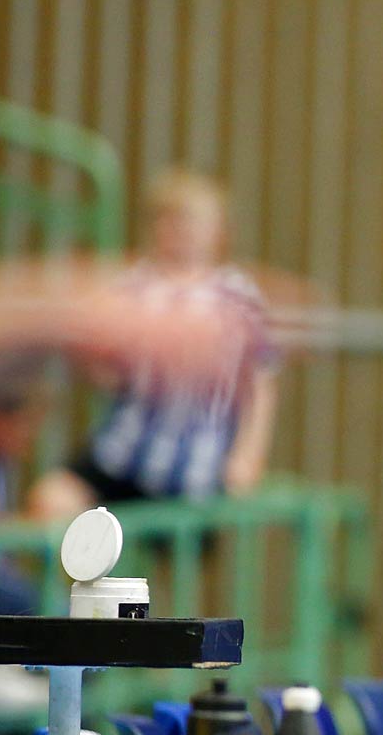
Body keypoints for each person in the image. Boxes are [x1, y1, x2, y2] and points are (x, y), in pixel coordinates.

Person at [24, 171, 279, 523]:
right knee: (53, 500)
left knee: (180, 552)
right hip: (124, 452)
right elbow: (101, 368)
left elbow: (260, 385)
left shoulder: (237, 296)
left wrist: (248, 456)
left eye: (193, 220)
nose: (182, 230)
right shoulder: (130, 287)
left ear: (220, 230)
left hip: (195, 468)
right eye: (171, 219)